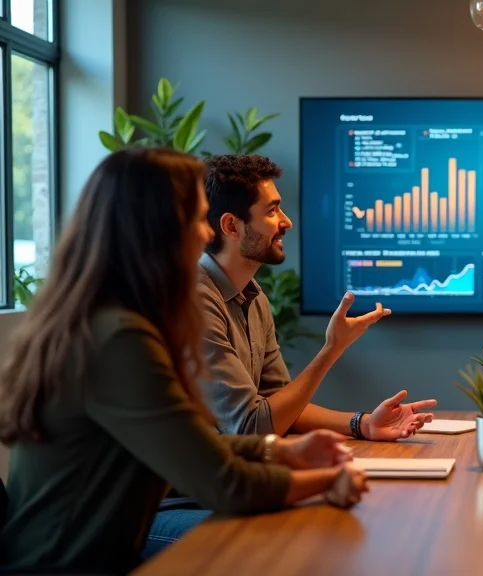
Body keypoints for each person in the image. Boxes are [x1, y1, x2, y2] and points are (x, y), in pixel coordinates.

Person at [0, 149, 367, 574]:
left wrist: (278, 449)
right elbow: (223, 483)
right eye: (196, 218)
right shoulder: (119, 338)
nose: (205, 232)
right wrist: (327, 480)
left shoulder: (108, 320)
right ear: (160, 231)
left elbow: (190, 442)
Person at [195, 154, 437, 439]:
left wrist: (364, 424)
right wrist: (331, 349)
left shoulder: (254, 298)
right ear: (231, 226)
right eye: (271, 211)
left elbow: (281, 409)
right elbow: (252, 427)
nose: (286, 222)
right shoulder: (195, 302)